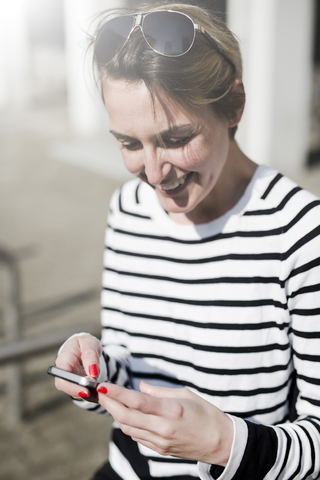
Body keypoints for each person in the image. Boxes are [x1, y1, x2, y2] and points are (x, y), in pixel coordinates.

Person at [54, 2, 320, 479]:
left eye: (176, 138)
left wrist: (222, 442)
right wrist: (93, 374)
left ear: (234, 105)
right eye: (130, 143)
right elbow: (126, 367)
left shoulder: (300, 233)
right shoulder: (128, 208)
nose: (154, 174)